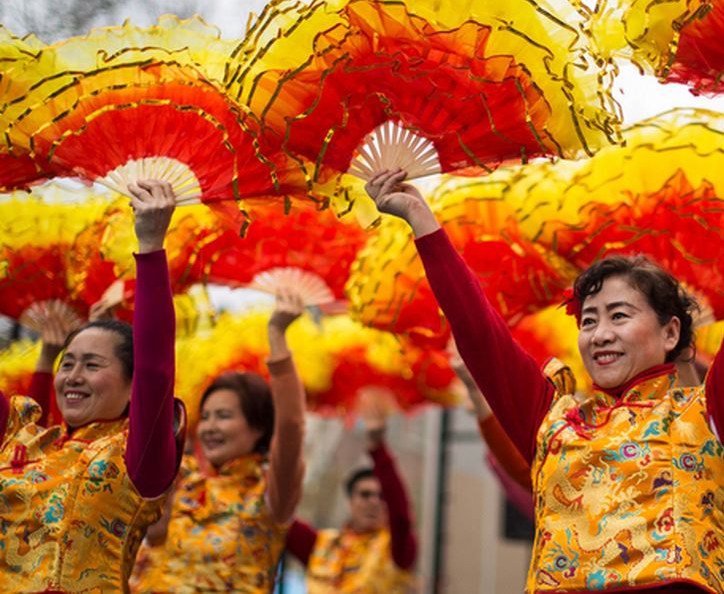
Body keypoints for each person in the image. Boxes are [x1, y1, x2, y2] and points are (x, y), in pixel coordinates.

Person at [363, 115, 724, 593]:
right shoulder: (553, 420)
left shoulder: (712, 417)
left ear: (670, 332)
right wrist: (421, 221)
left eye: (619, 315)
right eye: (588, 320)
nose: (599, 333)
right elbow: (480, 334)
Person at [0, 180, 183, 591]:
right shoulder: (24, 439)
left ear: (133, 387)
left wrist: (150, 245)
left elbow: (155, 366)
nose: (73, 375)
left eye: (92, 364)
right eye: (67, 363)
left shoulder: (136, 460)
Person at [132, 292, 307, 593]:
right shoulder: (180, 479)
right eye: (206, 417)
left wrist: (277, 335)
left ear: (259, 427)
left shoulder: (268, 493)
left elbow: (291, 426)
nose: (210, 427)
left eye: (224, 416)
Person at [285, 389, 418, 593]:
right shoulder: (321, 545)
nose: (374, 501)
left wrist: (377, 447)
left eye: (382, 497)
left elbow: (401, 516)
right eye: (365, 494)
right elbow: (280, 516)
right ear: (349, 501)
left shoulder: (396, 550)